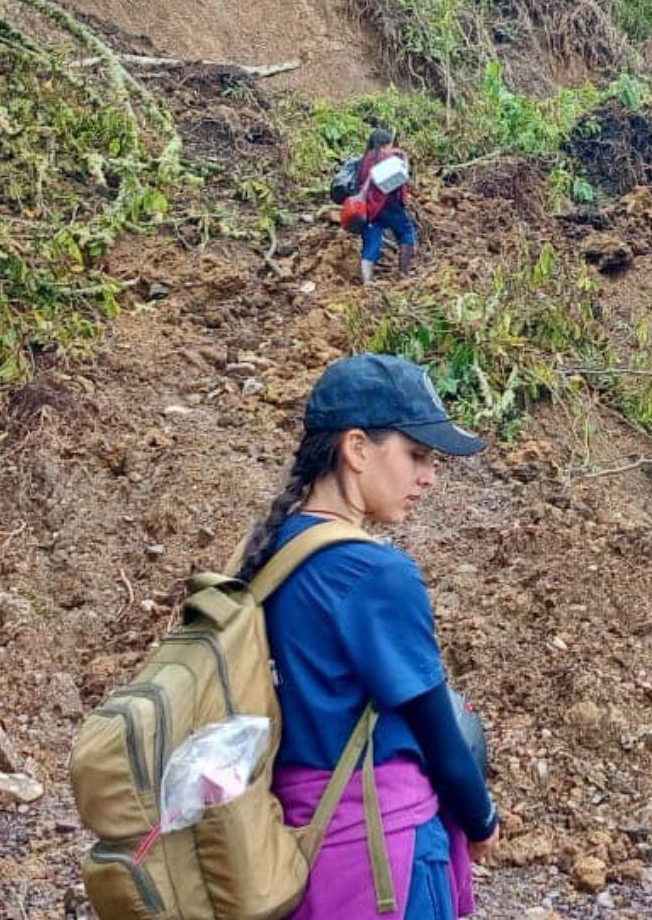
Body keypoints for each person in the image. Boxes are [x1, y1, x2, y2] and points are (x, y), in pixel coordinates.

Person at [230, 353, 498, 920]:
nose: (428, 477)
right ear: (356, 449)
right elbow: (441, 738)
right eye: (417, 454)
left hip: (293, 855)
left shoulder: (268, 553)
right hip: (381, 857)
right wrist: (483, 823)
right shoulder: (372, 572)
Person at [355, 128, 418, 286]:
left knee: (371, 241)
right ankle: (403, 273)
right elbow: (403, 174)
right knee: (406, 232)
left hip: (369, 208)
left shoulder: (364, 159)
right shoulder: (390, 156)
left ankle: (367, 281)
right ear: (385, 144)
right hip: (389, 205)